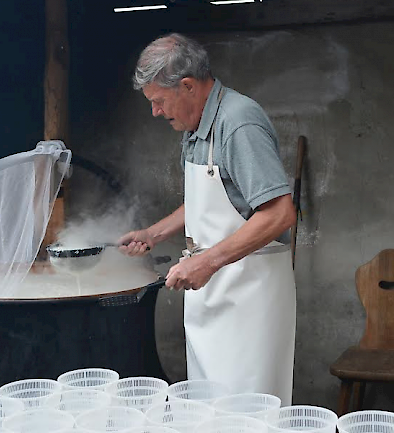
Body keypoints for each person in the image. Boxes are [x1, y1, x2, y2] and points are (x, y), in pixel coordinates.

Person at [118, 33, 297, 405]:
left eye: (158, 101)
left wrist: (208, 260)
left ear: (187, 86)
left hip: (248, 299)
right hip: (212, 294)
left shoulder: (238, 123)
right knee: (209, 412)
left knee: (246, 414)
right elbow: (211, 199)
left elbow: (279, 212)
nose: (155, 112)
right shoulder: (196, 126)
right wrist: (154, 232)